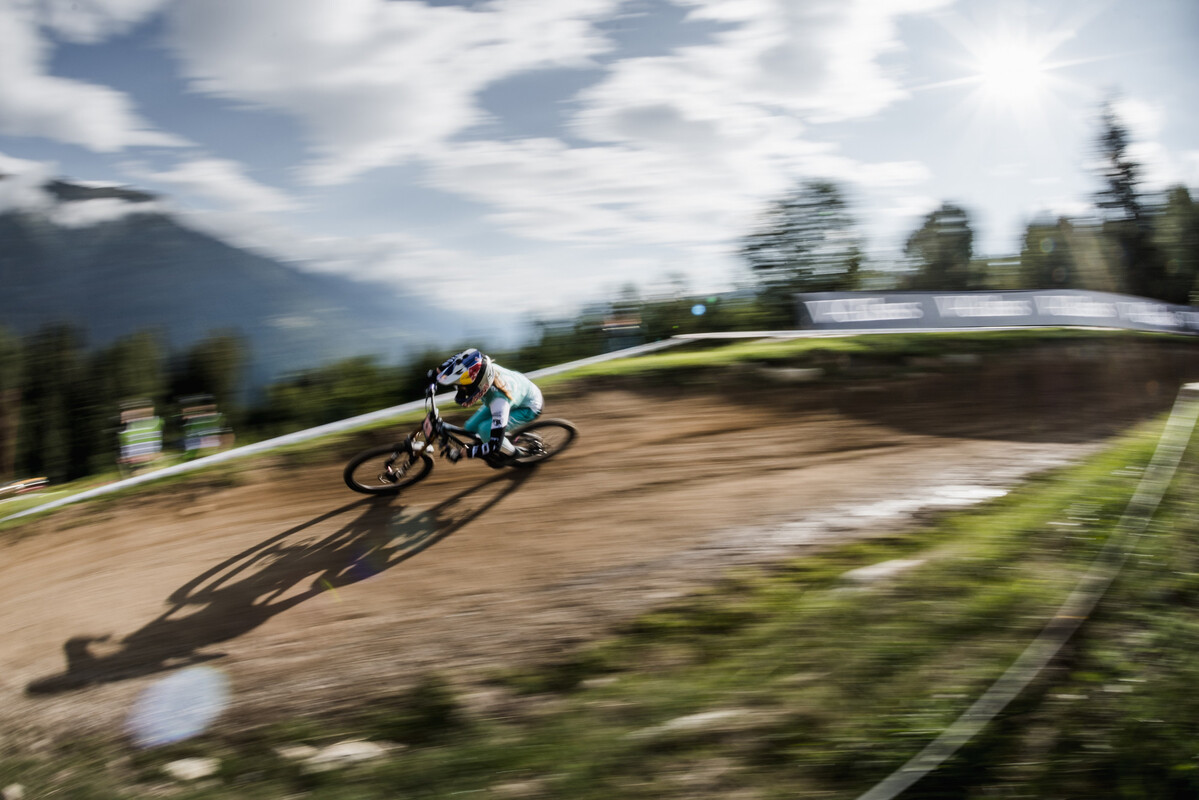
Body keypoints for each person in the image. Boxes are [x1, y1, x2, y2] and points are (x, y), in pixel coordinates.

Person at [432, 348, 543, 466]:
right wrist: (436, 373)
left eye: (463, 386)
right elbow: (460, 359)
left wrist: (467, 453)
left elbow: (495, 445)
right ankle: (495, 439)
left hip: (529, 407)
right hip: (516, 394)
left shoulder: (499, 402)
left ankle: (515, 454)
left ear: (479, 383)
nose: (461, 390)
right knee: (470, 427)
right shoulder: (483, 368)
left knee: (485, 430)